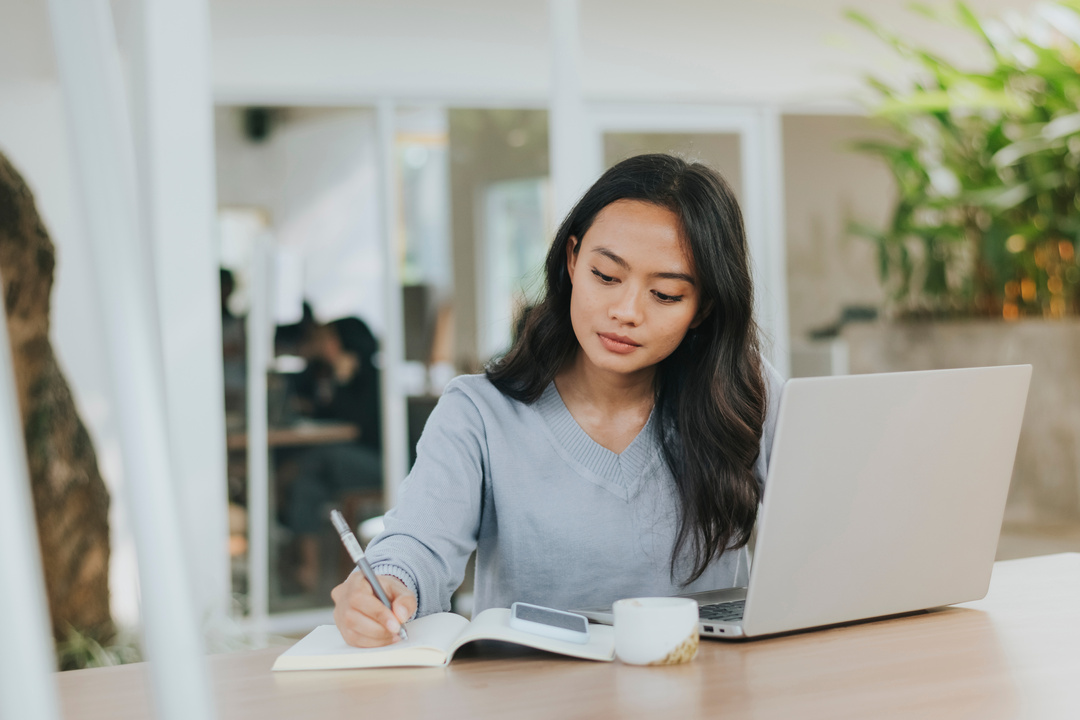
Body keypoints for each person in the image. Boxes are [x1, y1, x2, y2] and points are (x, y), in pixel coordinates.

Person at [332, 154, 783, 647]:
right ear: (572, 260)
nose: (626, 311)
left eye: (666, 294)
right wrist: (388, 582)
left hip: (707, 696)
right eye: (606, 276)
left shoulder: (746, 395)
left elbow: (827, 534)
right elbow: (418, 543)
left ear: (704, 308)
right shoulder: (479, 413)